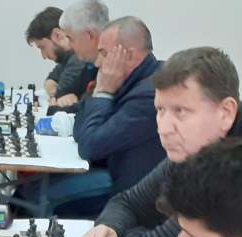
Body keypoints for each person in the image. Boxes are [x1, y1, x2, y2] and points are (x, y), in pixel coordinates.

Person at [79, 47, 242, 237]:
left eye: (180, 111)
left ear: (225, 113)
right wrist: (111, 227)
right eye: (160, 110)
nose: (163, 128)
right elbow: (127, 202)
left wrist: (131, 231)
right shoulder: (199, 151)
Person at [24, 15, 163, 218]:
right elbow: (80, 126)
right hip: (107, 171)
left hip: (131, 195)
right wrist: (100, 93)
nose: (98, 62)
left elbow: (89, 146)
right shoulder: (125, 81)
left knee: (34, 197)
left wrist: (104, 92)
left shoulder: (148, 94)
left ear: (130, 56)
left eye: (104, 54)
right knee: (28, 190)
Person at [26, 6, 92, 109]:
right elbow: (50, 81)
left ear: (57, 35)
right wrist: (55, 93)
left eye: (42, 47)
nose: (43, 56)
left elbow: (56, 103)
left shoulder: (79, 58)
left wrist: (57, 95)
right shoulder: (66, 59)